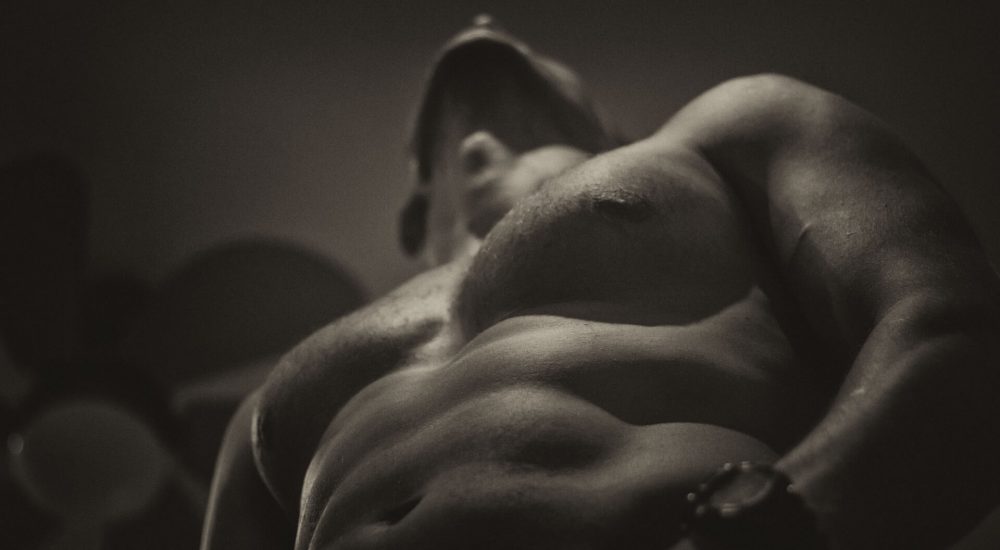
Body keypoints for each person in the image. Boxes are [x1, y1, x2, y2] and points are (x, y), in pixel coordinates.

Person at [201, 18, 1000, 550]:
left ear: (605, 132)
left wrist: (768, 527)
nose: (483, 19)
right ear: (413, 215)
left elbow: (954, 332)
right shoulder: (277, 395)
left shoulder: (726, 130)